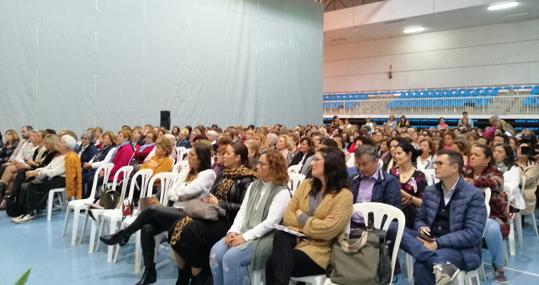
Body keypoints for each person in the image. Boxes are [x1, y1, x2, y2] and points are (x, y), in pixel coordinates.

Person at [100, 142, 216, 285]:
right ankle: (149, 272)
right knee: (147, 228)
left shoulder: (208, 174)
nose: (187, 157)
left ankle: (124, 234)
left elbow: (185, 191)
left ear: (201, 158)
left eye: (192, 155)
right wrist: (178, 192)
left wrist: (178, 192)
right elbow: (172, 191)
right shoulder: (187, 170)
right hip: (175, 210)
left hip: (190, 214)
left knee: (152, 210)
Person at [394, 150, 487, 285]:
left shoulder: (473, 195)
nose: (435, 167)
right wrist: (421, 227)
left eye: (439, 163)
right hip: (429, 240)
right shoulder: (430, 191)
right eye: (435, 163)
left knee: (421, 266)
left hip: (459, 249)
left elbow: (473, 234)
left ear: (454, 168)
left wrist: (438, 243)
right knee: (392, 228)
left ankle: (431, 257)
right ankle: (435, 260)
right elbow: (420, 218)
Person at [170, 142, 256, 285]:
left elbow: (244, 208)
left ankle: (199, 275)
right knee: (175, 227)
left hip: (230, 221)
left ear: (238, 158)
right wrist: (209, 199)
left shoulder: (248, 179)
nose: (223, 156)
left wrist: (219, 203)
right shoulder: (223, 173)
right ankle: (186, 274)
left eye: (227, 153)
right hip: (213, 214)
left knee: (190, 232)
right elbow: (213, 193)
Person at [265, 147, 353, 285]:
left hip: (320, 251)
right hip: (297, 242)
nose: (311, 163)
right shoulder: (307, 185)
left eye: (317, 160)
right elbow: (288, 216)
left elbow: (328, 230)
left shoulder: (344, 195)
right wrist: (311, 226)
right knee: (280, 236)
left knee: (273, 262)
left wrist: (301, 216)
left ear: (331, 164)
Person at [210, 150, 291, 285]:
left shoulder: (282, 192)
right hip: (244, 230)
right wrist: (233, 231)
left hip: (266, 238)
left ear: (273, 168)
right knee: (216, 252)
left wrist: (244, 237)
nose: (256, 166)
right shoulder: (254, 185)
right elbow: (243, 211)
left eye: (262, 164)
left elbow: (270, 223)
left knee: (231, 258)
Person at [465, 144, 509, 282]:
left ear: (487, 159)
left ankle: (499, 266)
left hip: (494, 215)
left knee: (492, 228)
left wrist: (473, 182)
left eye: (477, 155)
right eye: (471, 154)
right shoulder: (465, 172)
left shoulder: (495, 173)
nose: (472, 157)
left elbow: (496, 183)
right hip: (468, 216)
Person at [12, 135, 74, 223]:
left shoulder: (70, 157)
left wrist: (37, 173)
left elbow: (56, 171)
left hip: (62, 180)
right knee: (28, 184)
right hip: (53, 178)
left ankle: (31, 212)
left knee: (32, 186)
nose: (58, 144)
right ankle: (26, 210)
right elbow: (48, 167)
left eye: (61, 142)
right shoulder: (59, 156)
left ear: (67, 146)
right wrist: (36, 171)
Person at [349, 144, 400, 227]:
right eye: (358, 165)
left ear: (376, 161)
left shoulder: (389, 181)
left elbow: (392, 211)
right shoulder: (352, 179)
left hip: (376, 227)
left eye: (364, 164)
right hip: (351, 223)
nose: (361, 168)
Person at [390, 140, 427, 228]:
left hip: (411, 216)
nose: (396, 156)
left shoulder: (419, 176)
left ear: (409, 154)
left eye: (399, 153)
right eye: (395, 154)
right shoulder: (392, 172)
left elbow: (423, 203)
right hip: (393, 213)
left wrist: (407, 196)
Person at [493, 143, 525, 211]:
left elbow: (512, 188)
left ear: (506, 156)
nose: (495, 154)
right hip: (493, 196)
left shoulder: (514, 169)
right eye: (494, 151)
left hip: (509, 202)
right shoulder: (490, 166)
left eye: (500, 152)